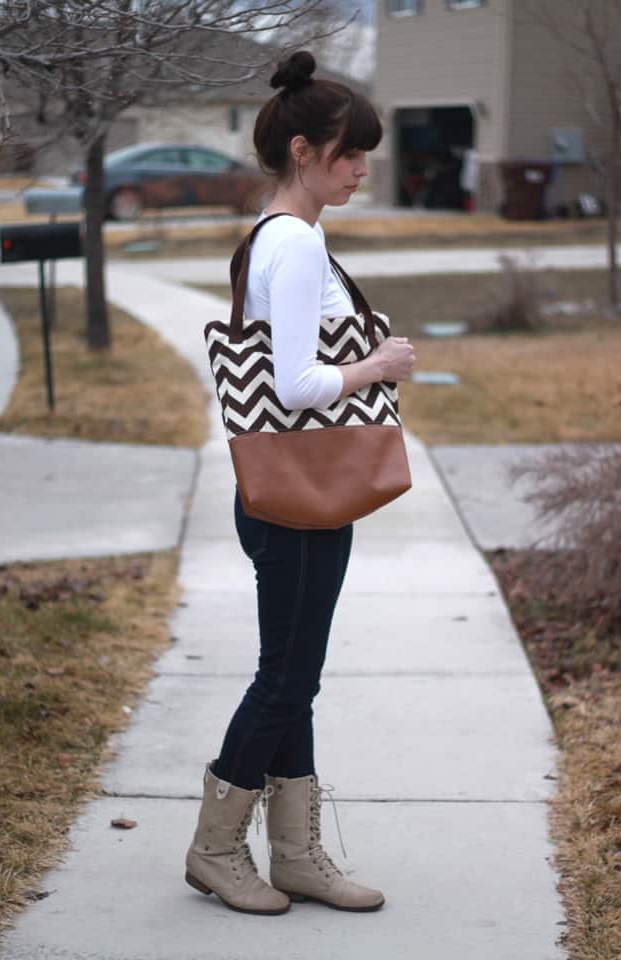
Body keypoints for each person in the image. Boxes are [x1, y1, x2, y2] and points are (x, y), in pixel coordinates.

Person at [184, 50, 415, 917]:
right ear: (303, 154)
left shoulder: (279, 236)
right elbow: (297, 386)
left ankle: (294, 855)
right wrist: (380, 363)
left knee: (297, 675)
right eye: (349, 153)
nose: (362, 168)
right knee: (284, 676)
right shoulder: (296, 242)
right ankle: (214, 848)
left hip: (292, 492)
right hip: (295, 495)